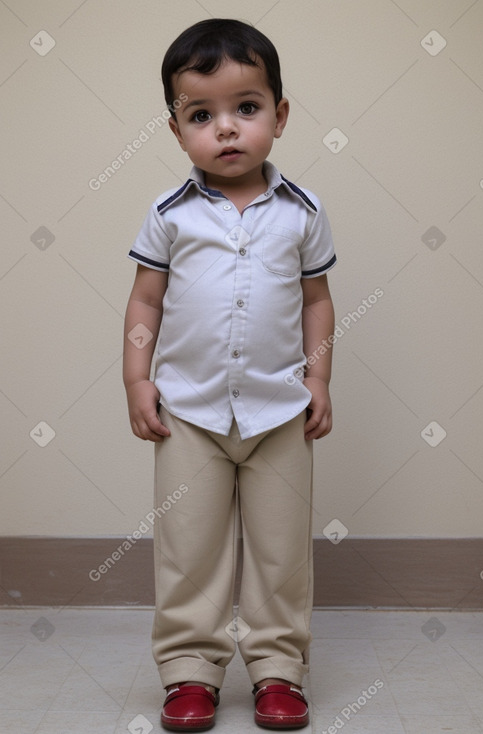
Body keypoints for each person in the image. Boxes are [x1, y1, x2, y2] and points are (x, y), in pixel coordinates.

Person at [123, 17, 336, 732]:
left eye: (245, 108)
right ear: (177, 128)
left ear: (278, 115)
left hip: (278, 411)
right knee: (188, 550)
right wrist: (136, 379)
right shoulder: (169, 214)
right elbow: (145, 299)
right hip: (188, 411)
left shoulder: (301, 214)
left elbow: (316, 301)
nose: (226, 130)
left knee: (280, 553)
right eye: (201, 115)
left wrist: (318, 380)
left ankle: (278, 670)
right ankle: (190, 673)